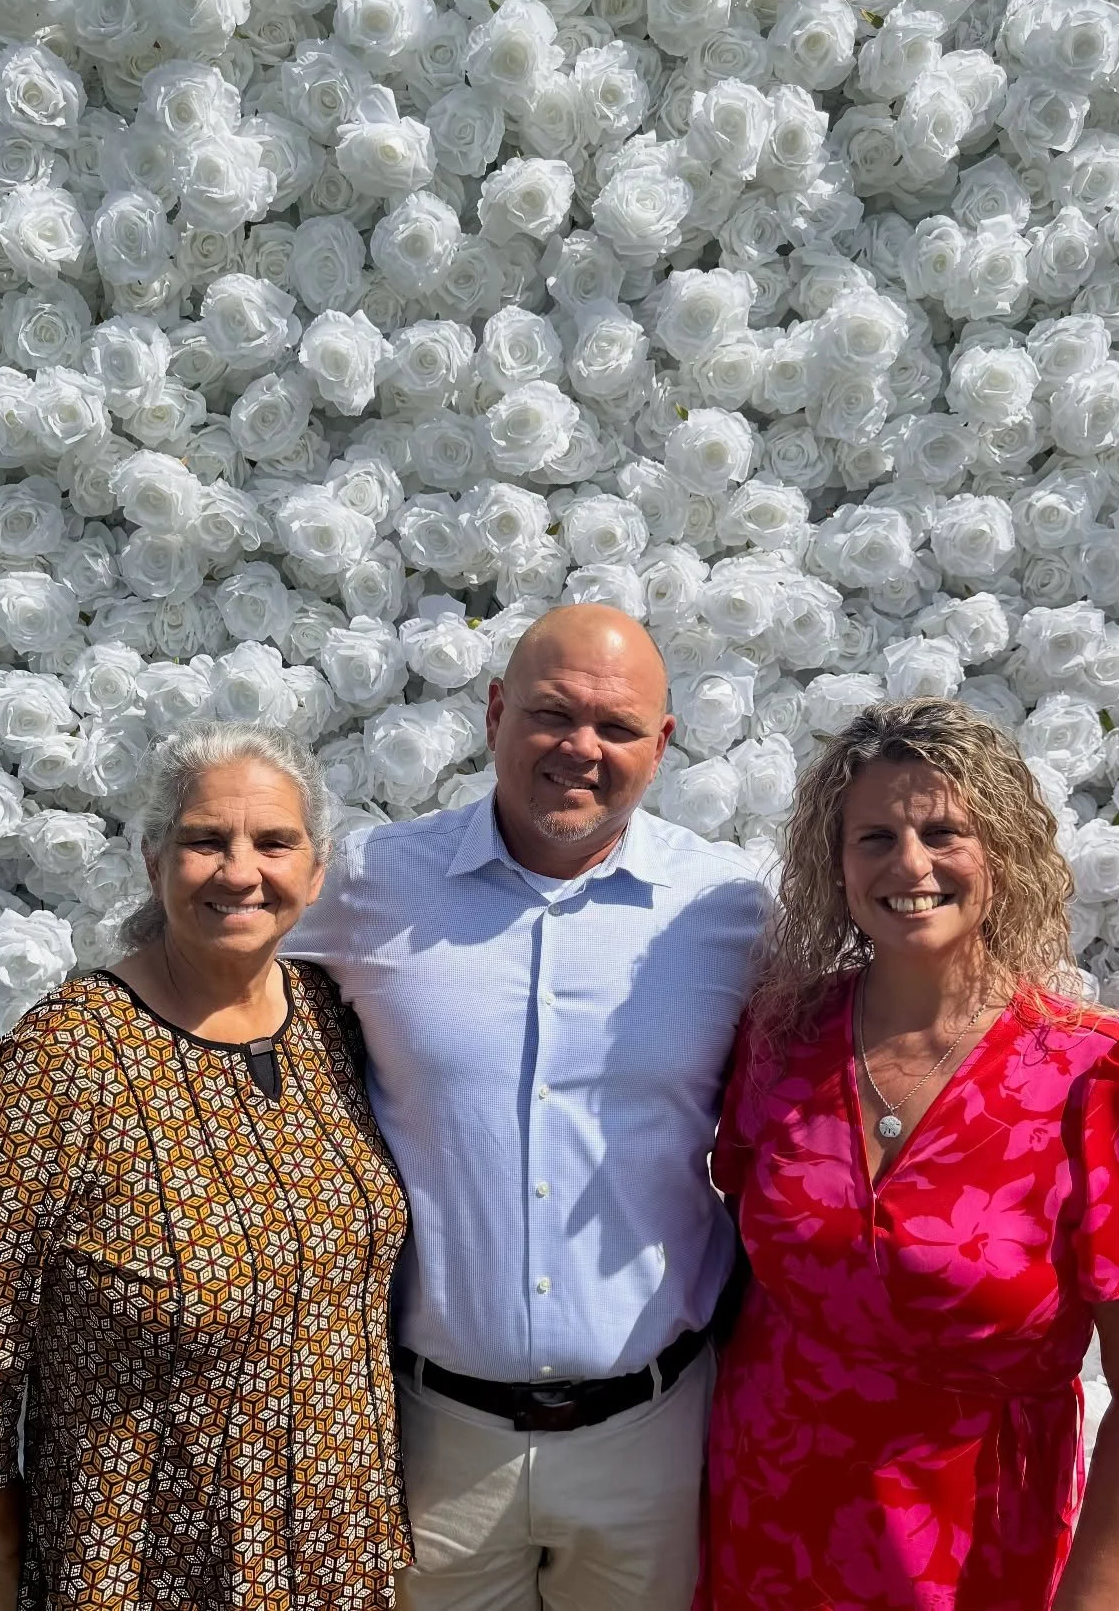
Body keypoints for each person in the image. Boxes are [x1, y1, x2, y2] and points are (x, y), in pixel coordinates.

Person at [286, 603, 770, 1611]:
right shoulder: (374, 881)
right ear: (496, 710)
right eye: (552, 713)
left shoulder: (730, 909)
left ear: (662, 745)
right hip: (435, 1442)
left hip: (654, 1434)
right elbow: (216, 981)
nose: (580, 749)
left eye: (618, 727)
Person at [699, 697, 1119, 1611]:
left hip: (969, 1554)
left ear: (1003, 852)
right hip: (760, 1534)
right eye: (875, 838)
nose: (911, 864)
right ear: (837, 861)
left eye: (945, 832)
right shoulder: (781, 1038)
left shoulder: (1096, 1075)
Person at [0, 723, 410, 1611]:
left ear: (315, 872)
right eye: (208, 839)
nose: (241, 870)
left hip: (338, 1553)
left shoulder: (330, 1019)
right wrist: (7, 1545)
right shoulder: (67, 1054)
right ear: (154, 861)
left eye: (274, 841)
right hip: (143, 1561)